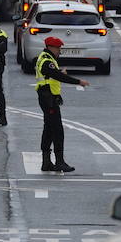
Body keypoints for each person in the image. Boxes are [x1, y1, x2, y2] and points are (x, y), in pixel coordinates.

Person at [35, 36, 90, 172]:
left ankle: (46, 162)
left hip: (47, 97)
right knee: (57, 130)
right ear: (51, 47)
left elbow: (51, 74)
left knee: (49, 129)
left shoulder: (46, 59)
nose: (60, 51)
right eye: (58, 48)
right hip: (48, 99)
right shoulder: (47, 61)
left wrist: (58, 72)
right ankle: (59, 162)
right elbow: (58, 76)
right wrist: (78, 81)